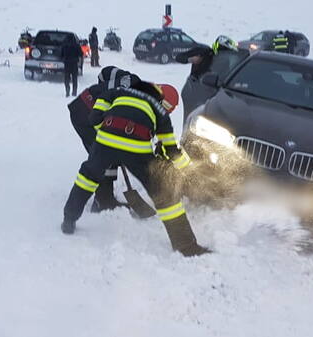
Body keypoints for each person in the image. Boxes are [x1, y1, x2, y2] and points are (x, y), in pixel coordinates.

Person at [61, 80, 210, 257]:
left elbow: (94, 116)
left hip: (105, 140)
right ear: (160, 98)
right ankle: (186, 246)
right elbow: (171, 150)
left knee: (87, 178)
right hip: (137, 148)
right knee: (163, 193)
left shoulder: (117, 92)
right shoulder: (158, 109)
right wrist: (190, 170)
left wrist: (108, 131)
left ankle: (68, 220)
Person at [67, 66, 139, 211]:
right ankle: (102, 201)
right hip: (84, 113)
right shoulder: (133, 84)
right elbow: (106, 71)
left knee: (110, 157)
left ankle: (105, 198)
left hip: (92, 113)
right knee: (102, 156)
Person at [177, 35, 247, 122]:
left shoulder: (227, 61)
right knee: (192, 118)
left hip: (213, 90)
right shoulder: (203, 51)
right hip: (194, 88)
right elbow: (179, 57)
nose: (223, 55)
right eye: (222, 51)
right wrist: (190, 59)